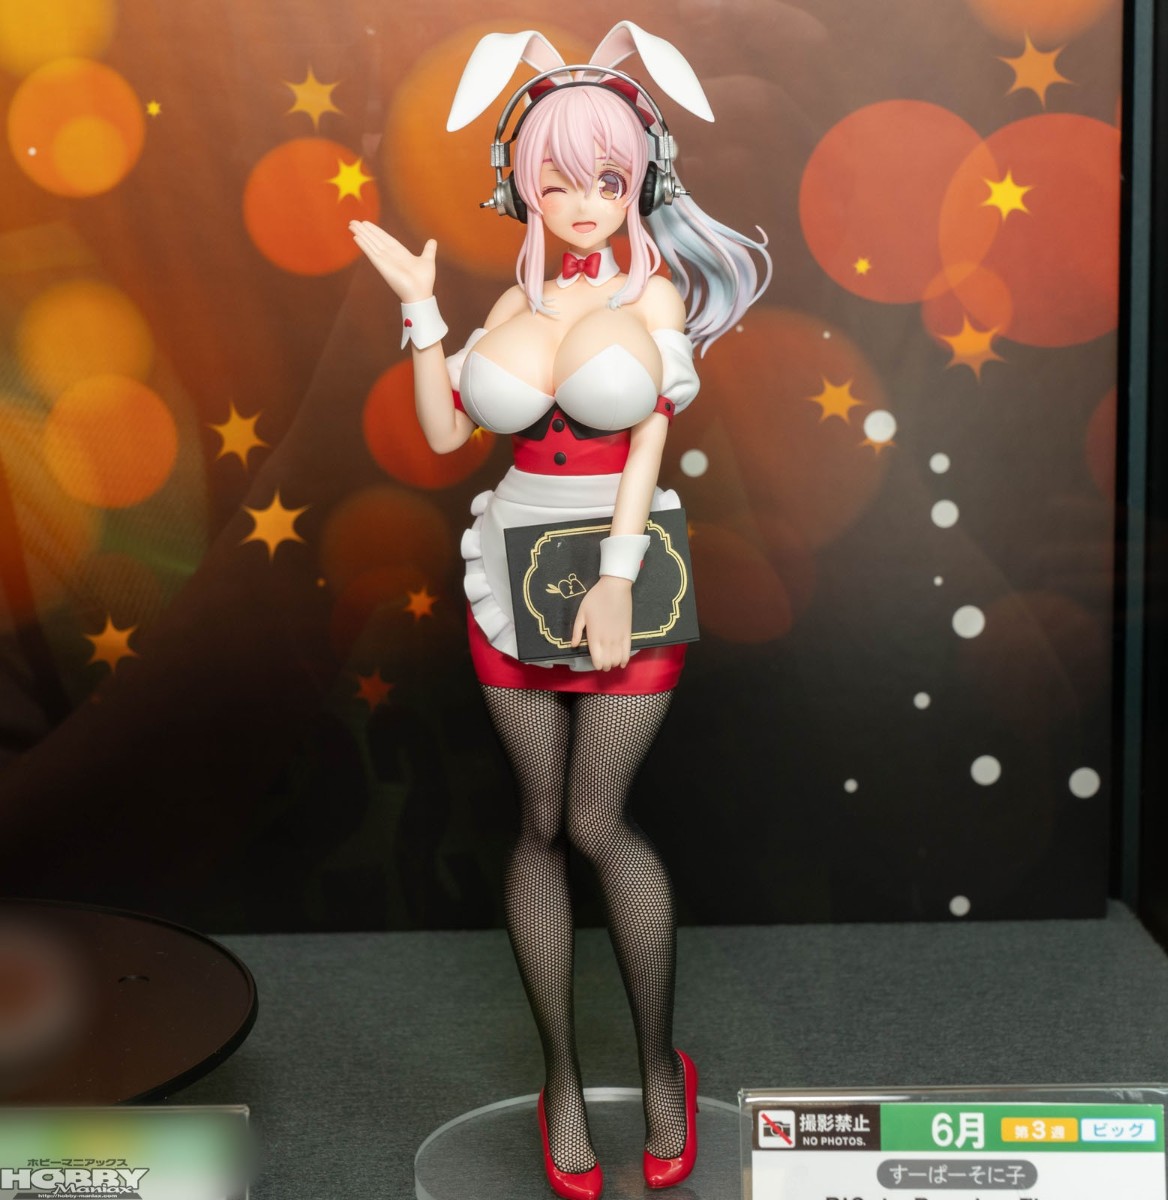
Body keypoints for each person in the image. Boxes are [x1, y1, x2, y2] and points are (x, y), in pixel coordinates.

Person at [351, 22, 769, 1197]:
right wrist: (423, 313)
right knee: (537, 823)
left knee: (596, 821)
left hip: (622, 574)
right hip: (510, 572)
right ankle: (562, 1081)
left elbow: (649, 443)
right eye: (559, 178)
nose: (584, 202)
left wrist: (621, 577)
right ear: (522, 183)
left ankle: (660, 1065)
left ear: (640, 182)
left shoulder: (655, 299)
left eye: (607, 178)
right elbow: (446, 434)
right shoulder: (506, 305)